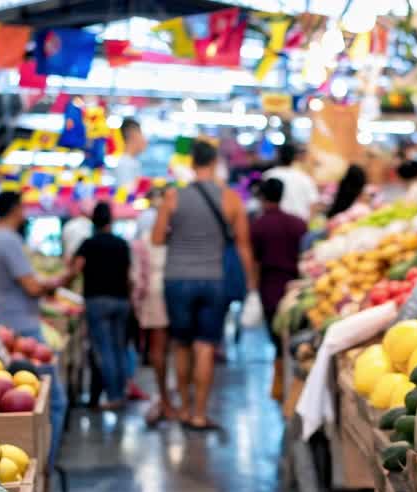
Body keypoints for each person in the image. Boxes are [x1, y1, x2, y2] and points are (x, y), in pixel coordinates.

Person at [151, 139, 257, 431]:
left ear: (191, 163)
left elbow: (157, 238)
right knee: (205, 346)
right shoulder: (231, 198)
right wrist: (250, 282)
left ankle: (183, 409)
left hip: (176, 278)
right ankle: (199, 413)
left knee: (181, 345)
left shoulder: (173, 197)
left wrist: (181, 237)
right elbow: (244, 245)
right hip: (214, 278)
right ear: (214, 163)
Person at [0, 191, 70, 473]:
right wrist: (62, 279)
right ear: (16, 209)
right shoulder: (8, 240)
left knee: (18, 405)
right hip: (22, 329)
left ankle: (26, 465)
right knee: (54, 401)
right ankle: (44, 470)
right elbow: (32, 286)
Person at [71, 203, 133, 410]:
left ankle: (113, 396)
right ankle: (122, 392)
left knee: (104, 349)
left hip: (97, 300)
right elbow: (129, 275)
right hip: (121, 300)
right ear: (111, 220)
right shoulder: (122, 244)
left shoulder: (88, 244)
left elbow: (76, 269)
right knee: (119, 348)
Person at [251, 178, 307, 401]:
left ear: (263, 198)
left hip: (269, 286)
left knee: (275, 337)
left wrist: (253, 288)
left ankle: (279, 388)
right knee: (294, 337)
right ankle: (290, 390)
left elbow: (254, 261)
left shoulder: (259, 226)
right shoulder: (298, 223)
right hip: (294, 287)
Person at [131, 190, 174, 424]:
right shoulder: (174, 238)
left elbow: (137, 277)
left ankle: (165, 397)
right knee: (176, 347)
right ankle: (169, 399)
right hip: (173, 293)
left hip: (153, 297)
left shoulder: (144, 241)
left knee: (158, 348)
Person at [262, 144, 318, 223]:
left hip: (273, 225)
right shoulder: (305, 178)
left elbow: (262, 203)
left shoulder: (267, 176)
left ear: (278, 156)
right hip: (299, 226)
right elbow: (313, 205)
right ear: (295, 157)